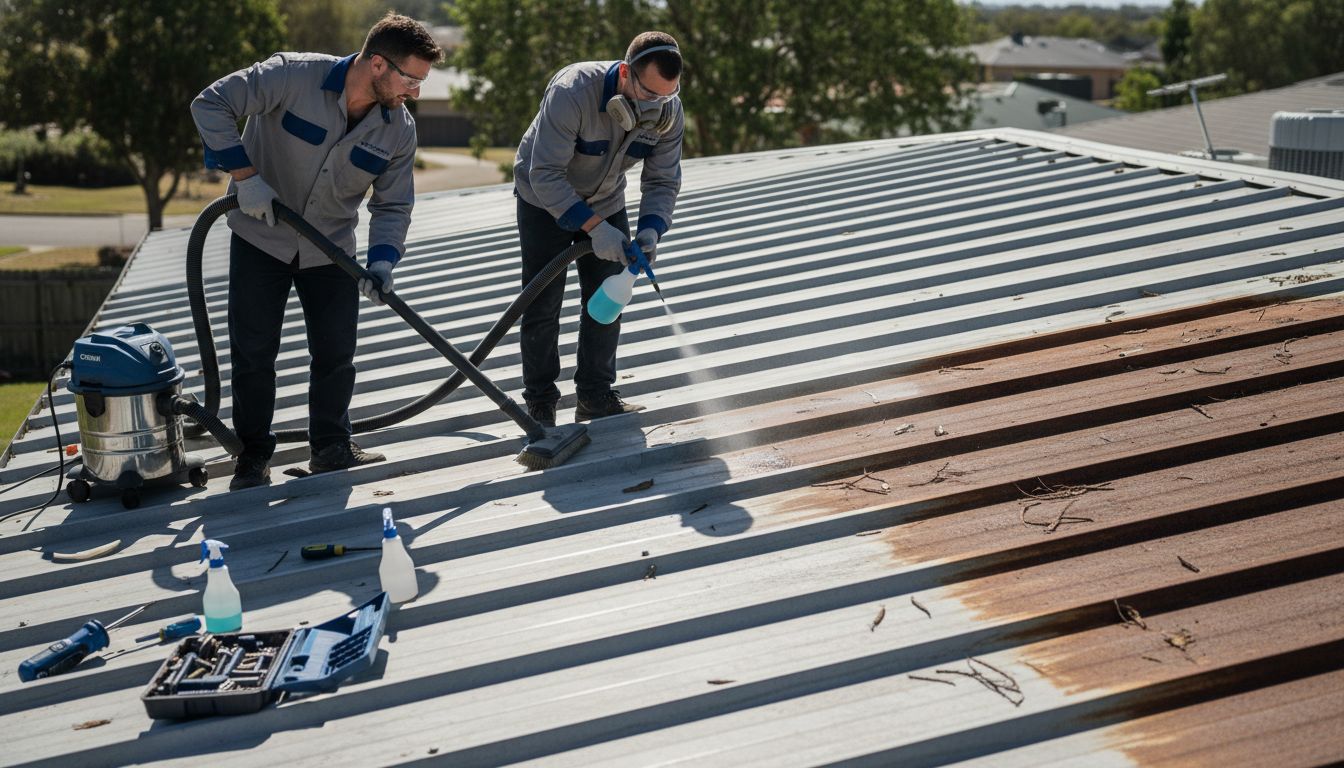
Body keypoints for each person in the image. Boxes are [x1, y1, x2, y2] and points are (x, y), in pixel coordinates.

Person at [191, 14, 442, 490]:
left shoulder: (398, 130)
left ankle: (331, 447)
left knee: (336, 353)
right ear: (376, 64)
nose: (415, 92)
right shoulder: (292, 76)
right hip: (259, 237)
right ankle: (251, 457)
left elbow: (393, 204)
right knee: (254, 354)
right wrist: (246, 178)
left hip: (331, 250)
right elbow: (210, 104)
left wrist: (384, 259)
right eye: (410, 79)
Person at [513, 31, 684, 428]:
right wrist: (595, 230)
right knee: (542, 302)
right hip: (544, 200)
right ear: (625, 73)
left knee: (607, 301)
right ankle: (540, 401)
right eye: (649, 94)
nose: (656, 106)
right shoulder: (573, 91)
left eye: (667, 96)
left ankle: (596, 395)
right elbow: (546, 175)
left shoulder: (669, 110)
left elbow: (662, 181)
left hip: (607, 199)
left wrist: (651, 230)